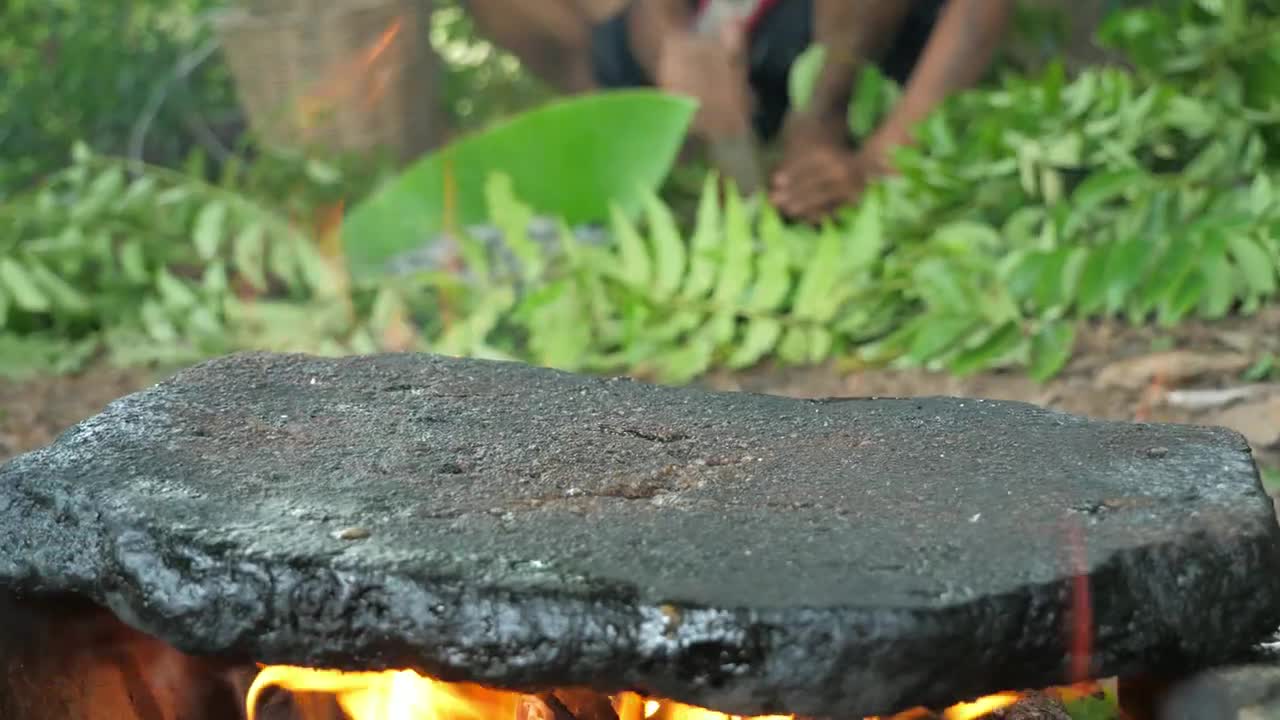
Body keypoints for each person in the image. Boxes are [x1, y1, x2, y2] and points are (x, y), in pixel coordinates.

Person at [460, 0, 1014, 222]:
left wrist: (883, 162)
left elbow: (977, 13)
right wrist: (675, 48)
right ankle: (645, 177)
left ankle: (820, 128)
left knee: (825, 119)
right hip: (725, 54)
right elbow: (652, 11)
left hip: (846, 46)